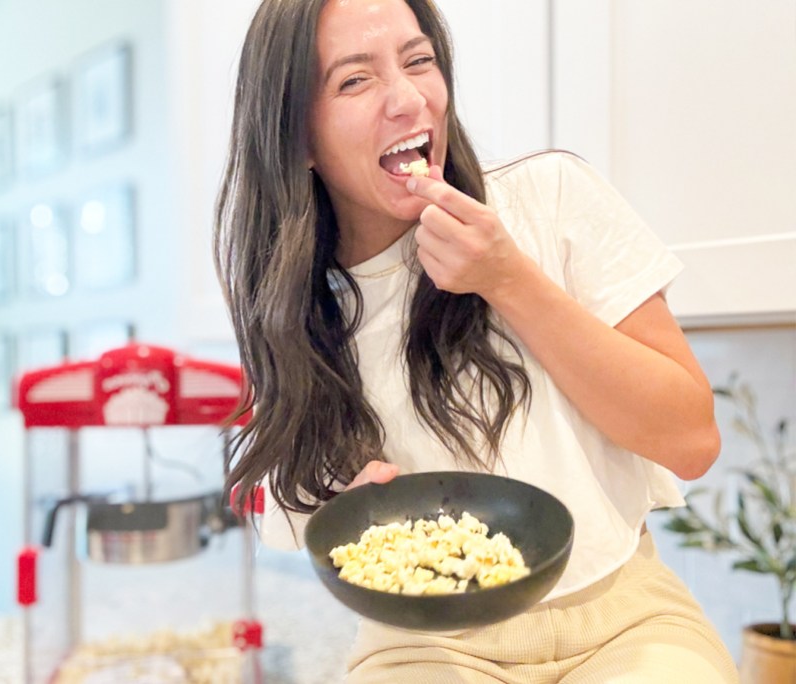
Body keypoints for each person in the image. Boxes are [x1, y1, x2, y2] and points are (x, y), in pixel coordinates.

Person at [214, 0, 739, 681]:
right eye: (355, 80)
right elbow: (296, 513)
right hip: (425, 643)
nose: (408, 100)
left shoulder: (550, 201)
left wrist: (509, 279)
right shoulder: (294, 311)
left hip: (626, 619)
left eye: (418, 60)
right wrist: (341, 498)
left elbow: (691, 440)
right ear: (299, 138)